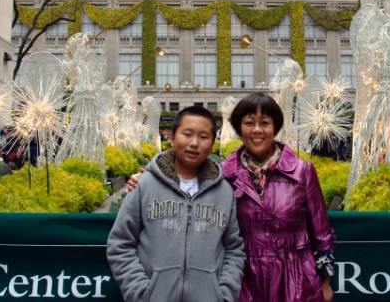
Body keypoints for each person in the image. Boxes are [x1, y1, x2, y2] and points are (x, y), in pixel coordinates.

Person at [127, 93, 336, 302]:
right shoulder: (222, 174)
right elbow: (182, 180)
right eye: (248, 123)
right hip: (244, 282)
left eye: (265, 123)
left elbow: (321, 233)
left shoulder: (302, 171)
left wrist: (324, 281)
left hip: (296, 280)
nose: (257, 130)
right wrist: (145, 180)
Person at [107, 106, 245, 302]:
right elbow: (120, 243)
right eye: (187, 134)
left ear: (213, 143)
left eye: (204, 137)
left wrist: (224, 294)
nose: (194, 143)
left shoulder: (224, 193)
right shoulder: (144, 185)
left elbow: (234, 249)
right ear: (172, 138)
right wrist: (140, 292)